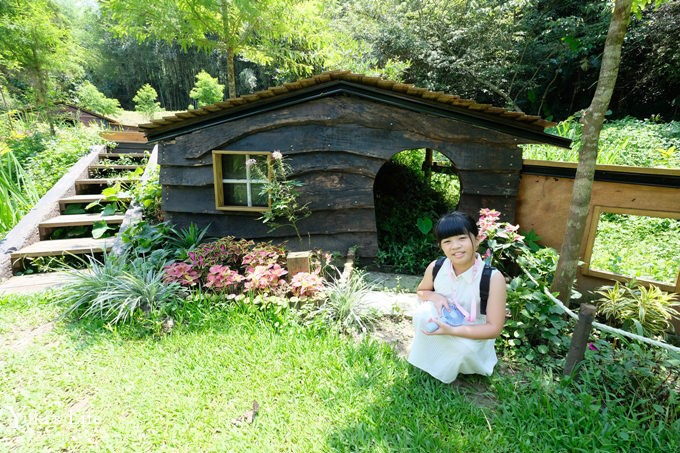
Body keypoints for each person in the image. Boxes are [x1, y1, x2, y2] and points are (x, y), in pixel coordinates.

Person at [407, 211, 507, 383]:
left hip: (473, 333)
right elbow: (421, 291)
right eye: (447, 241)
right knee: (423, 314)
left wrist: (452, 331)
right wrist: (435, 296)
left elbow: (494, 328)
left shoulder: (492, 277)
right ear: (441, 246)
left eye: (461, 238)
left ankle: (457, 364)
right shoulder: (436, 267)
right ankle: (432, 357)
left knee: (463, 351)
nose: (455, 246)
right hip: (443, 322)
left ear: (477, 240)